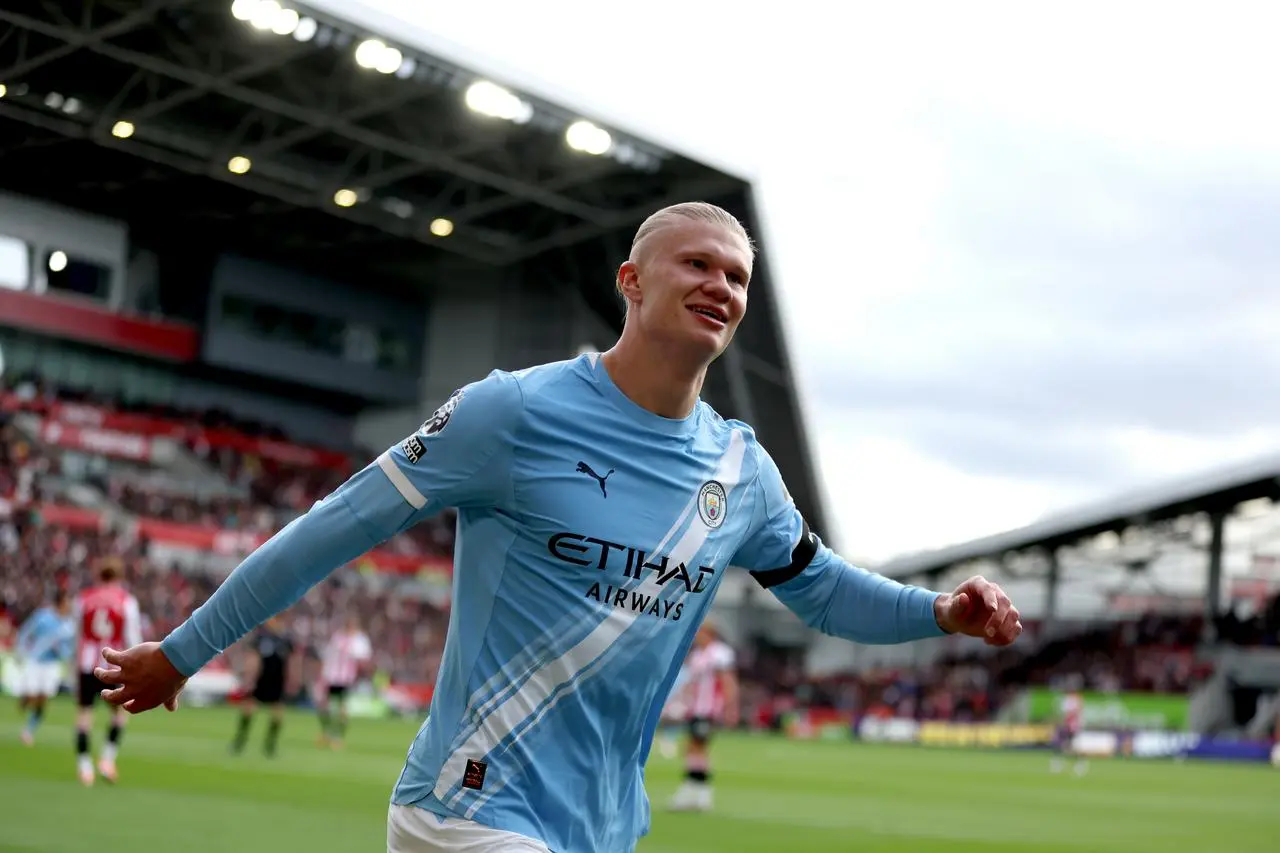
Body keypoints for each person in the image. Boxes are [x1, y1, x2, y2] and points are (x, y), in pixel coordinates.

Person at [93, 202, 1024, 853]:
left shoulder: (741, 471)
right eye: (697, 264)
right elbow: (337, 525)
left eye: (737, 276)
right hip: (469, 804)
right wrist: (182, 650)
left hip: (601, 824)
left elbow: (822, 591)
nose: (721, 285)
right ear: (631, 280)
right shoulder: (514, 412)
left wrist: (938, 610)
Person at [74, 558, 142, 785]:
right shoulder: (126, 601)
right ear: (119, 576)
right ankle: (107, 760)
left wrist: (75, 665)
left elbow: (78, 635)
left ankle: (84, 768)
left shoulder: (84, 598)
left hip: (88, 664)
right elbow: (132, 638)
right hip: (114, 665)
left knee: (84, 715)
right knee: (120, 714)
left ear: (99, 575)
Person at [667, 622, 739, 812]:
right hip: (695, 709)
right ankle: (696, 793)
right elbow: (691, 682)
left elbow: (727, 681)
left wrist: (730, 707)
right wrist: (680, 700)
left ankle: (697, 793)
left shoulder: (720, 653)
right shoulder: (698, 654)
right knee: (692, 748)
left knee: (698, 748)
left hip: (708, 709)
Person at [15, 588, 75, 746]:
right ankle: (24, 700)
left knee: (43, 699)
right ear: (60, 602)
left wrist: (62, 652)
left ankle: (28, 731)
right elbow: (26, 632)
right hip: (36, 661)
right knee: (31, 696)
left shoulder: (69, 625)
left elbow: (69, 648)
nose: (69, 605)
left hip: (52, 665)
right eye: (67, 602)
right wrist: (20, 650)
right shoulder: (43, 616)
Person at [230, 616, 295, 758]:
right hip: (261, 679)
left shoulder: (286, 640)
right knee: (249, 709)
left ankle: (270, 744)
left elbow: (290, 661)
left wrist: (291, 680)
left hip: (277, 680)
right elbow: (253, 658)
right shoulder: (261, 638)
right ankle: (240, 740)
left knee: (277, 712)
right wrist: (249, 678)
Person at [315, 613, 372, 750]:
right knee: (323, 706)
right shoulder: (338, 637)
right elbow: (328, 655)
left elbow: (363, 659)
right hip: (331, 676)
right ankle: (326, 732)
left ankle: (337, 737)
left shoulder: (359, 640)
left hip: (345, 679)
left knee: (342, 708)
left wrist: (360, 675)